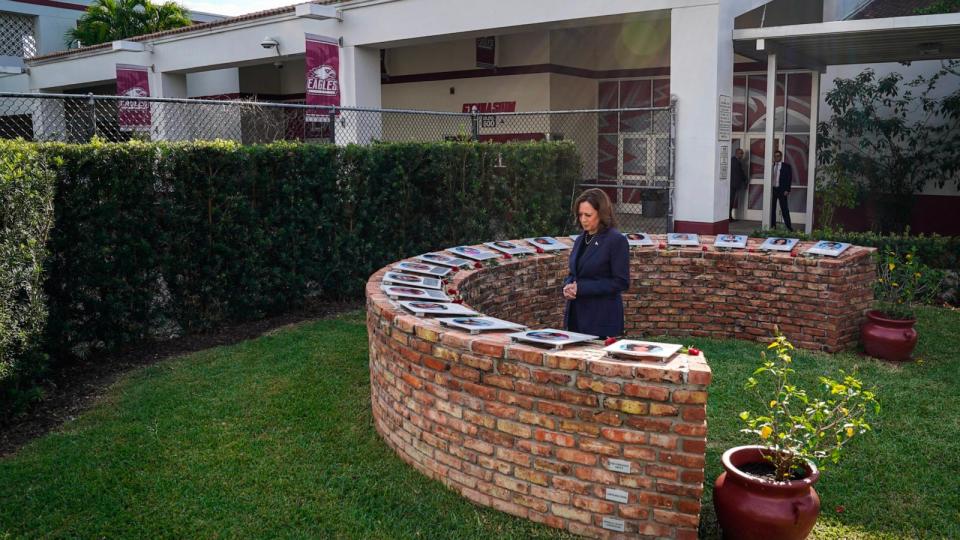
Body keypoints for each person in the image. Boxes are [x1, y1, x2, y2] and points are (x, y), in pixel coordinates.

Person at [563, 188, 630, 339]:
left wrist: (582, 288)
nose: (583, 219)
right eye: (580, 215)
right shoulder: (581, 239)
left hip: (601, 320)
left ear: (601, 214)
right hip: (576, 317)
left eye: (588, 215)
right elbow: (574, 273)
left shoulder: (615, 240)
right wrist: (568, 286)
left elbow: (621, 282)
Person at [771, 150, 793, 231]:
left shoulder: (786, 166)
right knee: (771, 209)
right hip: (773, 190)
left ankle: (789, 227)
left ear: (781, 157)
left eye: (778, 156)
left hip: (782, 190)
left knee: (784, 209)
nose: (776, 157)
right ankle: (773, 226)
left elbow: (789, 178)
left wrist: (787, 190)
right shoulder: (771, 166)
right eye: (775, 156)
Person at [730, 148, 747, 221]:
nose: (742, 155)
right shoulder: (734, 161)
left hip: (734, 184)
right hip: (732, 185)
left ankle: (730, 217)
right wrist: (744, 179)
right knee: (731, 200)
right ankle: (729, 217)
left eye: (742, 153)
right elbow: (738, 173)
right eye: (741, 153)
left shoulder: (737, 161)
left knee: (732, 200)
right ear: (737, 153)